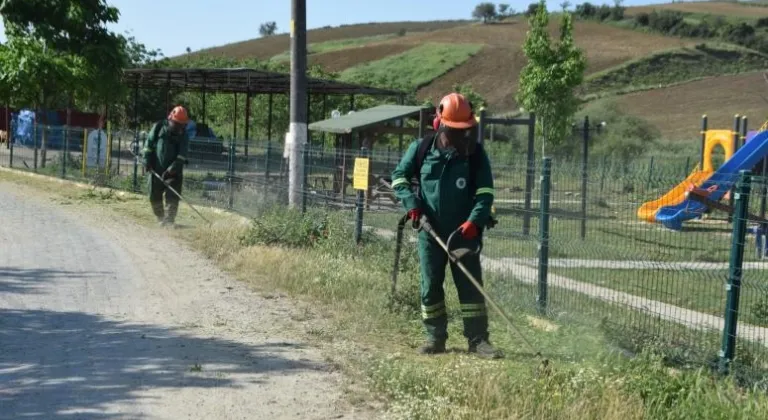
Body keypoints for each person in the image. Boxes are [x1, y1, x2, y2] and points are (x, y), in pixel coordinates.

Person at [391, 93, 500, 359]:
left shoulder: (475, 154)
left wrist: (475, 221)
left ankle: (478, 340)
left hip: (465, 233)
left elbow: (485, 193)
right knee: (430, 285)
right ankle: (435, 337)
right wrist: (412, 206)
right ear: (439, 123)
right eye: (455, 130)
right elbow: (399, 178)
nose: (461, 135)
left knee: (470, 285)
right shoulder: (421, 149)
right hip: (430, 231)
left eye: (465, 130)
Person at [142, 106, 190, 227]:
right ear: (170, 119)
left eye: (182, 125)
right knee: (154, 195)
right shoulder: (158, 127)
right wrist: (146, 160)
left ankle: (169, 221)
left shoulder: (184, 135)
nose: (179, 127)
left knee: (172, 197)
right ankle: (160, 217)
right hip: (156, 168)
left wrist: (172, 170)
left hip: (174, 172)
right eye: (177, 124)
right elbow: (148, 144)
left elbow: (182, 156)